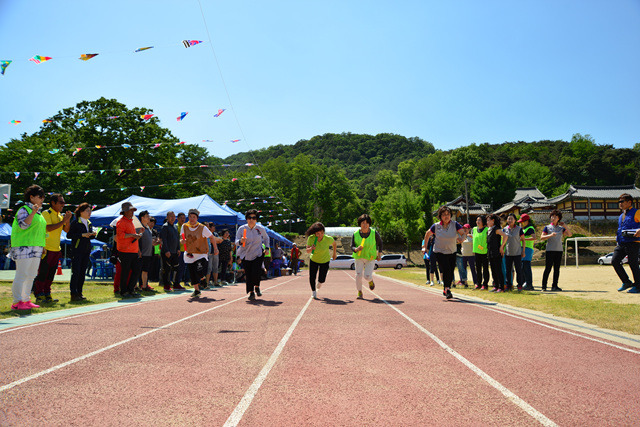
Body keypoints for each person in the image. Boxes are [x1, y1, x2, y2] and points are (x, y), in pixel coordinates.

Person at [9, 185, 47, 310]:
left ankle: (25, 300)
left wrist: (43, 245)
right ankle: (17, 302)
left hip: (36, 247)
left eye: (43, 197)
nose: (42, 199)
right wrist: (33, 212)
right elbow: (23, 225)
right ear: (31, 197)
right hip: (23, 247)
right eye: (40, 196)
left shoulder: (39, 213)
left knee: (31, 275)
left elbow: (40, 231)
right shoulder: (23, 209)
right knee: (22, 274)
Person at [33, 193, 72, 304]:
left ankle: (47, 293)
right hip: (47, 248)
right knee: (43, 273)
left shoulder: (60, 216)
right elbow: (48, 228)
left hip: (56, 249)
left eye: (64, 202)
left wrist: (67, 220)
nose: (63, 204)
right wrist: (64, 221)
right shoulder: (46, 213)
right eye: (61, 202)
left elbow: (66, 230)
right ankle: (39, 294)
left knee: (51, 274)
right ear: (53, 203)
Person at [423, 206, 465, 299]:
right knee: (446, 269)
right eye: (444, 214)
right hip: (439, 252)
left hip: (452, 251)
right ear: (440, 216)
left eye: (448, 214)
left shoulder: (455, 224)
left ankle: (446, 288)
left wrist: (462, 238)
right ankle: (447, 289)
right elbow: (427, 234)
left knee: (450, 271)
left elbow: (463, 233)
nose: (446, 216)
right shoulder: (436, 226)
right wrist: (424, 247)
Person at [179, 209, 218, 298]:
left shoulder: (202, 228)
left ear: (197, 218)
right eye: (190, 217)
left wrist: (215, 249)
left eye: (194, 217)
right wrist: (182, 241)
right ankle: (196, 290)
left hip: (201, 253)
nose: (192, 219)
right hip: (190, 253)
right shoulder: (184, 226)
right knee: (192, 272)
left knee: (198, 268)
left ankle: (203, 279)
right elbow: (181, 238)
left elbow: (212, 237)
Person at [235, 209, 270, 300]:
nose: (251, 219)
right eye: (249, 217)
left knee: (256, 271)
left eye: (254, 218)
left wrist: (267, 248)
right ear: (246, 219)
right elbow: (236, 241)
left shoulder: (260, 228)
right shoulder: (242, 229)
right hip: (246, 254)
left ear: (256, 219)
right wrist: (241, 241)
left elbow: (266, 238)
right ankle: (251, 292)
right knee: (249, 274)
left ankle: (257, 287)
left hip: (258, 253)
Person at [67, 203, 96, 301]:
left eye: (90, 210)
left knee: (82, 272)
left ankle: (79, 292)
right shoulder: (75, 222)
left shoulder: (89, 223)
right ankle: (73, 293)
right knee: (76, 272)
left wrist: (92, 235)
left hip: (86, 250)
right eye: (87, 210)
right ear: (81, 212)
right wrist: (82, 235)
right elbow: (69, 235)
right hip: (77, 250)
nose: (89, 212)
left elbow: (88, 237)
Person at [352, 214, 383, 299]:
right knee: (358, 275)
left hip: (370, 257)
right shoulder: (355, 234)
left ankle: (370, 280)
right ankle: (359, 292)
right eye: (363, 223)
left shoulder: (374, 233)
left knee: (367, 276)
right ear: (360, 224)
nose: (365, 225)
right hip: (359, 257)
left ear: (369, 224)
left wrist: (379, 254)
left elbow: (380, 243)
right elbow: (352, 246)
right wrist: (356, 249)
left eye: (367, 223)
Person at [540, 209, 572, 292]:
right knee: (548, 268)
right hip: (550, 250)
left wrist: (565, 226)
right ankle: (544, 286)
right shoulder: (547, 227)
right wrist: (550, 235)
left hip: (559, 250)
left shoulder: (561, 228)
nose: (553, 218)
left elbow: (569, 234)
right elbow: (542, 237)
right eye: (552, 216)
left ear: (559, 218)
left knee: (557, 269)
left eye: (555, 217)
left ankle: (555, 286)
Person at [613, 194, 640, 293]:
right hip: (622, 242)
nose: (620, 204)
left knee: (633, 263)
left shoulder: (637, 212)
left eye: (622, 201)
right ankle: (626, 282)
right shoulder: (621, 215)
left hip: (633, 242)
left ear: (629, 202)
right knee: (615, 261)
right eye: (619, 202)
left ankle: (638, 285)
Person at [116, 202, 143, 298]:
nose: (132, 212)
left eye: (132, 210)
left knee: (136, 270)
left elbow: (131, 236)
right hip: (125, 251)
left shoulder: (130, 222)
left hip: (133, 250)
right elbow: (120, 235)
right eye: (130, 210)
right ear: (125, 211)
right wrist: (133, 235)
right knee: (125, 271)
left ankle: (131, 289)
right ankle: (124, 291)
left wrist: (137, 236)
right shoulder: (121, 222)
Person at [306, 222, 337, 299]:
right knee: (312, 277)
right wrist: (311, 248)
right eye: (318, 234)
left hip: (325, 260)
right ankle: (313, 292)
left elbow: (334, 244)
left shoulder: (328, 239)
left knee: (322, 279)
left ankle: (320, 282)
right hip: (314, 260)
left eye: (322, 233)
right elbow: (307, 251)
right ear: (314, 233)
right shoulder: (311, 238)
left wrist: (334, 254)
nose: (320, 235)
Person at [501, 213, 525, 291]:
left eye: (511, 219)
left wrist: (523, 251)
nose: (510, 220)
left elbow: (523, 240)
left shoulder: (519, 229)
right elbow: (503, 241)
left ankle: (519, 285)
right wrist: (502, 249)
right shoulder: (504, 229)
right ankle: (509, 285)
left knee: (518, 270)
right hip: (508, 253)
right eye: (508, 219)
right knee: (508, 270)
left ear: (515, 220)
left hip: (517, 253)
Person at [160, 211, 180, 292]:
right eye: (171, 216)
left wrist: (178, 249)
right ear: (167, 217)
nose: (172, 218)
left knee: (176, 268)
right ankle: (166, 285)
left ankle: (176, 284)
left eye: (174, 216)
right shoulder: (165, 227)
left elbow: (177, 239)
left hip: (174, 251)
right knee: (166, 269)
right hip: (167, 252)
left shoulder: (175, 227)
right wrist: (166, 250)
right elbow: (163, 240)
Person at [486, 214, 507, 292]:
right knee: (493, 270)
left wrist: (502, 246)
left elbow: (505, 236)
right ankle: (496, 286)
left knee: (498, 270)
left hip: (496, 252)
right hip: (490, 252)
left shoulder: (496, 229)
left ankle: (501, 287)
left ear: (493, 221)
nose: (487, 222)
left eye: (488, 220)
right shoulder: (489, 230)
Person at [137, 210, 155, 291]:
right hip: (141, 253)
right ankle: (135, 287)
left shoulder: (148, 228)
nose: (149, 218)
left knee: (145, 271)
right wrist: (138, 250)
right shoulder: (139, 228)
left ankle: (144, 286)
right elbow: (136, 240)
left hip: (148, 253)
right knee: (138, 271)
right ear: (142, 218)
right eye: (147, 216)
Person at [518, 214, 536, 291]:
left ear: (527, 221)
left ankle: (529, 284)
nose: (521, 223)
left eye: (522, 222)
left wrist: (523, 239)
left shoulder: (530, 228)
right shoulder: (524, 229)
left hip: (528, 249)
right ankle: (524, 283)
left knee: (526, 267)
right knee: (523, 267)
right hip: (523, 248)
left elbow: (534, 237)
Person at [472, 215, 490, 290]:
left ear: (483, 221)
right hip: (477, 252)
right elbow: (474, 239)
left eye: (479, 220)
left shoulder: (487, 230)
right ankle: (478, 284)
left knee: (485, 269)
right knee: (478, 269)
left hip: (485, 252)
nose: (477, 221)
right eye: (477, 220)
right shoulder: (474, 229)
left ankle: (485, 284)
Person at [174, 212, 188, 289]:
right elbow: (176, 239)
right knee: (178, 267)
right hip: (178, 250)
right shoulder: (176, 227)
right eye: (181, 218)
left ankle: (178, 282)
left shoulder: (185, 227)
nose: (183, 219)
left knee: (182, 267)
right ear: (177, 219)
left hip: (185, 250)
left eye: (184, 218)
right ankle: (176, 283)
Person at [206, 223, 222, 287]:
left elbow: (220, 240)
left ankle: (215, 282)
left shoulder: (215, 234)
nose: (214, 227)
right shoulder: (206, 233)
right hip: (209, 253)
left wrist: (213, 239)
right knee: (209, 268)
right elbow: (211, 240)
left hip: (215, 253)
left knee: (216, 268)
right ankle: (207, 283)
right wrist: (214, 239)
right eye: (213, 226)